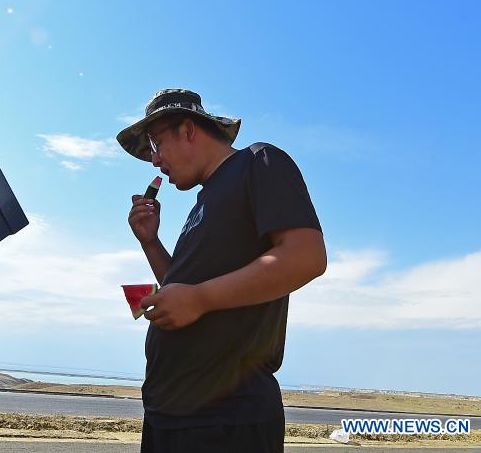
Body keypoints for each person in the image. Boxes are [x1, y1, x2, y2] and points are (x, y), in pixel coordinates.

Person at [117, 89, 327, 453]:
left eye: (156, 143)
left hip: (225, 421)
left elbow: (306, 256)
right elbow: (182, 294)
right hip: (170, 416)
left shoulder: (259, 161)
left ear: (187, 129)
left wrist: (201, 298)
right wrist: (150, 242)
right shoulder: (202, 203)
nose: (153, 160)